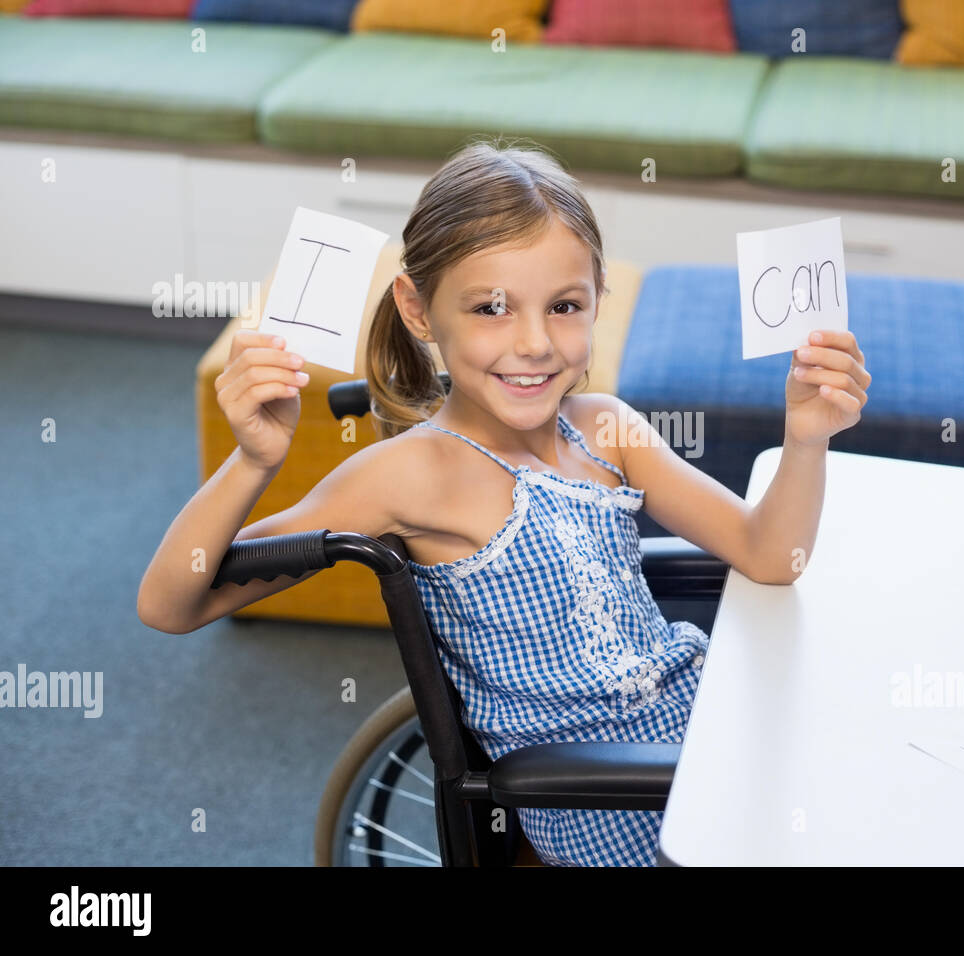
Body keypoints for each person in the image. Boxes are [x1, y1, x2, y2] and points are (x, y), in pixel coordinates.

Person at [137, 137, 871, 866]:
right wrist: (252, 462)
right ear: (419, 312)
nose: (534, 343)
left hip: (699, 725)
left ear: (598, 300)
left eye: (564, 306)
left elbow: (774, 556)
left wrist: (806, 438)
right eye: (491, 308)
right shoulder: (408, 474)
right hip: (607, 798)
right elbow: (172, 605)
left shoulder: (606, 426)